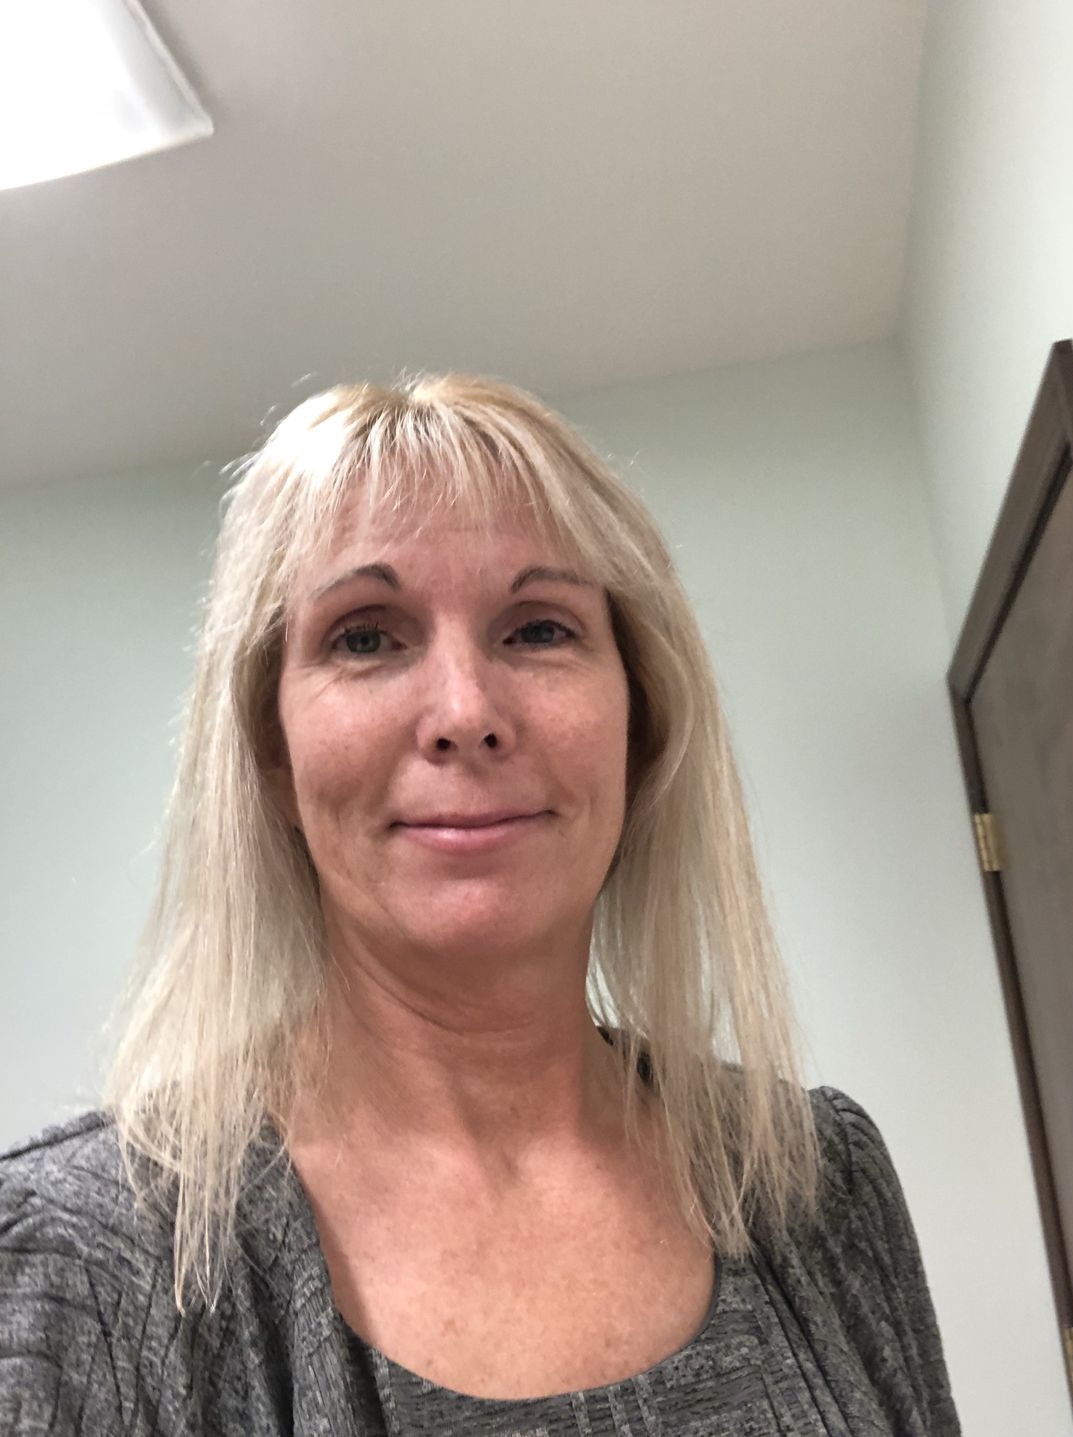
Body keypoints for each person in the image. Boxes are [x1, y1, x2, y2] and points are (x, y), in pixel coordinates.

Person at [0, 374, 961, 1435]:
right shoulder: (75, 1263)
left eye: (538, 629)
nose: (465, 712)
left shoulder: (820, 1181)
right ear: (272, 752)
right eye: (365, 636)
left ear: (641, 721)